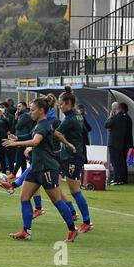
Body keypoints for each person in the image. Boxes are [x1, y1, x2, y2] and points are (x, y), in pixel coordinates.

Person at [2, 96, 78, 242]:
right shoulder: (39, 125)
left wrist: (15, 144)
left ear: (42, 110)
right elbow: (35, 136)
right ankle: (26, 231)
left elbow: (35, 142)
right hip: (37, 167)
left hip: (47, 168)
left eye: (33, 110)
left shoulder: (43, 124)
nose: (31, 113)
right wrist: (16, 138)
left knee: (57, 200)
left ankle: (72, 229)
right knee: (24, 198)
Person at [54, 86, 94, 233]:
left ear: (69, 103)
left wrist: (67, 143)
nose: (60, 105)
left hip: (72, 157)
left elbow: (57, 133)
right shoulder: (78, 116)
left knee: (75, 190)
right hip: (66, 154)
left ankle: (87, 221)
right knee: (43, 163)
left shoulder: (70, 119)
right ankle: (16, 183)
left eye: (62, 103)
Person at [105, 102, 129, 185]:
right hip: (122, 143)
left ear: (114, 109)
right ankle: (122, 179)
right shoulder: (124, 118)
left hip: (114, 143)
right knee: (121, 162)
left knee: (115, 162)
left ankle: (116, 179)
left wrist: (110, 116)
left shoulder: (115, 117)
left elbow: (106, 125)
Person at [9, 102, 34, 179]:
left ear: (24, 107)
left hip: (24, 139)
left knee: (19, 157)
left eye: (19, 106)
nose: (18, 107)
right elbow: (15, 127)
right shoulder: (22, 115)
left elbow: (18, 126)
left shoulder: (25, 115)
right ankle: (23, 174)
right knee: (22, 158)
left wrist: (16, 118)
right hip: (21, 138)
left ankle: (14, 173)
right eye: (17, 106)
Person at [120, 102, 134, 184]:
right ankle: (124, 178)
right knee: (123, 161)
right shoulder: (128, 118)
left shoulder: (125, 118)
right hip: (127, 143)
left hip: (124, 143)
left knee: (122, 161)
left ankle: (123, 178)